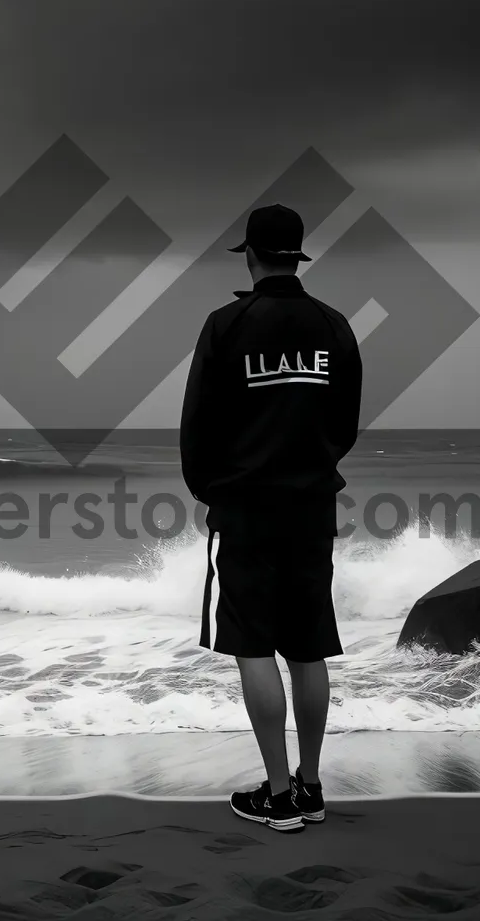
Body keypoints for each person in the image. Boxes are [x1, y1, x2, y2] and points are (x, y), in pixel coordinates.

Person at [180, 203, 363, 832]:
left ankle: (279, 794)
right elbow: (344, 422)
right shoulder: (335, 326)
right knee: (308, 650)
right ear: (298, 255)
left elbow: (197, 423)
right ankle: (311, 787)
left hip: (246, 508)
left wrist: (211, 489)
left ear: (251, 255)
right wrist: (310, 467)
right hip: (312, 506)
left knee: (253, 646)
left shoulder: (226, 325)